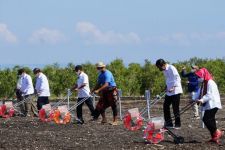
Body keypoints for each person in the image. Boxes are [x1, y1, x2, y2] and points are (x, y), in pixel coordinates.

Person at [195, 68, 223, 144]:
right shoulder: (204, 83)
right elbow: (199, 93)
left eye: (199, 76)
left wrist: (201, 100)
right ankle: (214, 138)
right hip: (208, 104)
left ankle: (217, 132)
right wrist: (194, 99)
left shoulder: (210, 83)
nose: (198, 78)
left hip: (213, 104)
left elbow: (209, 94)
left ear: (204, 75)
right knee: (211, 120)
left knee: (206, 119)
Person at [155, 59, 183, 129]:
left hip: (176, 91)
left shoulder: (171, 68)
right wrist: (166, 87)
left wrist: (173, 87)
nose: (159, 69)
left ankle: (177, 124)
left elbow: (177, 78)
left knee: (175, 108)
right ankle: (169, 123)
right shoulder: (164, 70)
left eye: (159, 67)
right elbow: (168, 80)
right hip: (169, 91)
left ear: (163, 65)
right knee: (165, 106)